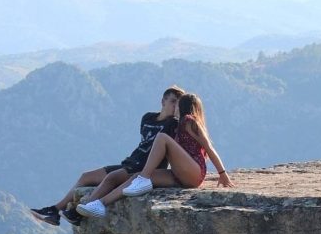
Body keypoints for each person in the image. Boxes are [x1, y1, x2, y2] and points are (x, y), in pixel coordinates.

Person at [30, 85, 185, 226]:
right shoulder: (147, 118)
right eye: (172, 101)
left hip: (146, 167)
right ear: (162, 101)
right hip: (131, 162)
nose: (174, 105)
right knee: (86, 176)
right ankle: (54, 211)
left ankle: (78, 213)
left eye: (178, 103)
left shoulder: (174, 125)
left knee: (112, 178)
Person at [76, 93, 233, 218]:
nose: (175, 107)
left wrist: (222, 173)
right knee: (135, 178)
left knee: (162, 137)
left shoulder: (189, 120)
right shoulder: (179, 124)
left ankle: (144, 179)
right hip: (182, 175)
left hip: (194, 171)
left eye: (177, 104)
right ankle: (101, 204)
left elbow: (209, 148)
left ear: (184, 106)